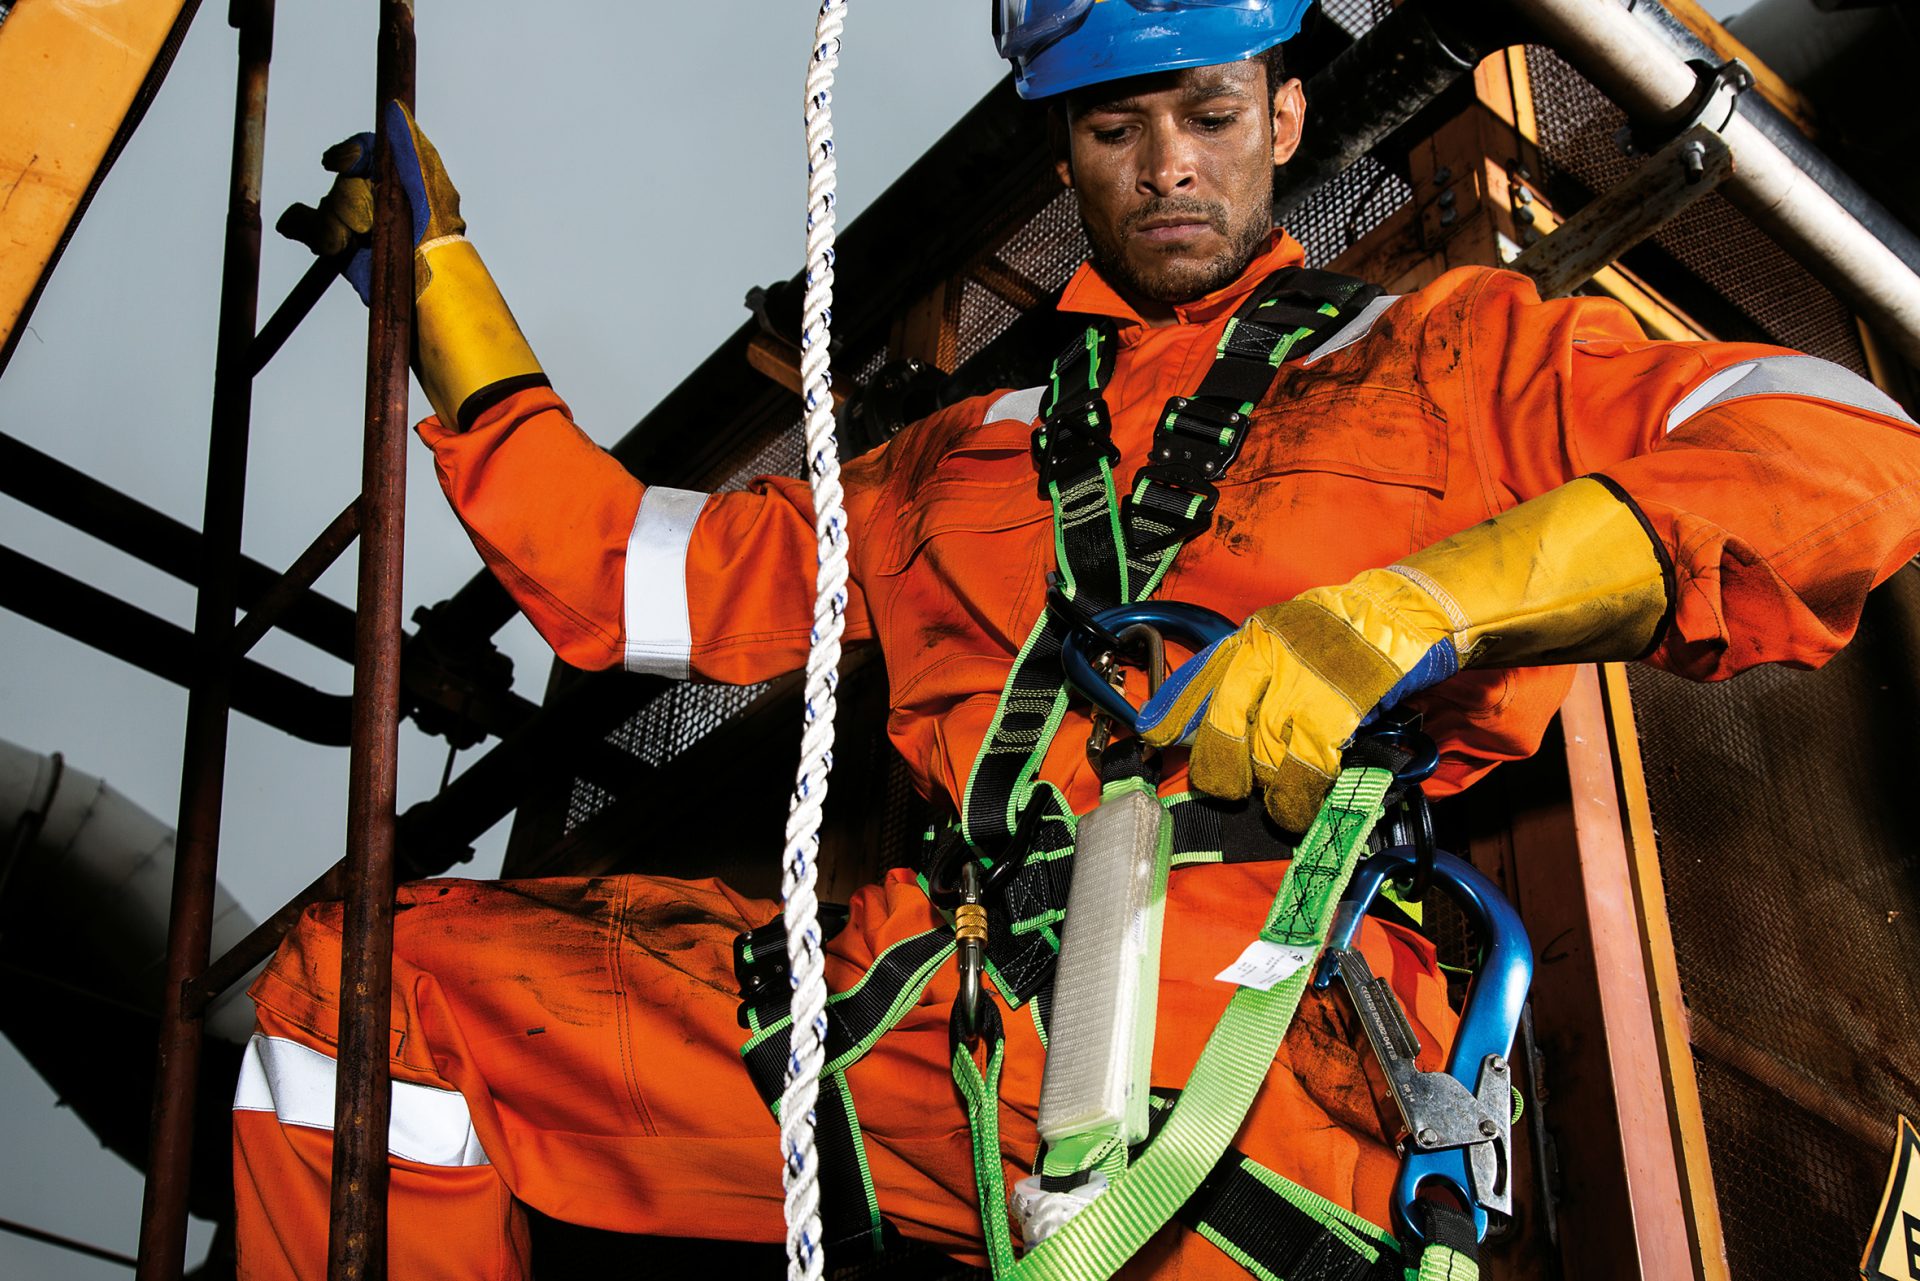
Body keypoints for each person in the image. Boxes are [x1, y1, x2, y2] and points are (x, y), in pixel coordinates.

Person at [231, 2, 1920, 1277]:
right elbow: (626, 575)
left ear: (1286, 113)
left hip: (1264, 1059)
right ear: (1067, 153)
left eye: (1209, 110)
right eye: (1120, 125)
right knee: (369, 990)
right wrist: (442, 289)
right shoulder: (943, 468)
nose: (1171, 162)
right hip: (925, 1019)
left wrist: (1430, 599)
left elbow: (1842, 446)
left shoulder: (1455, 352)